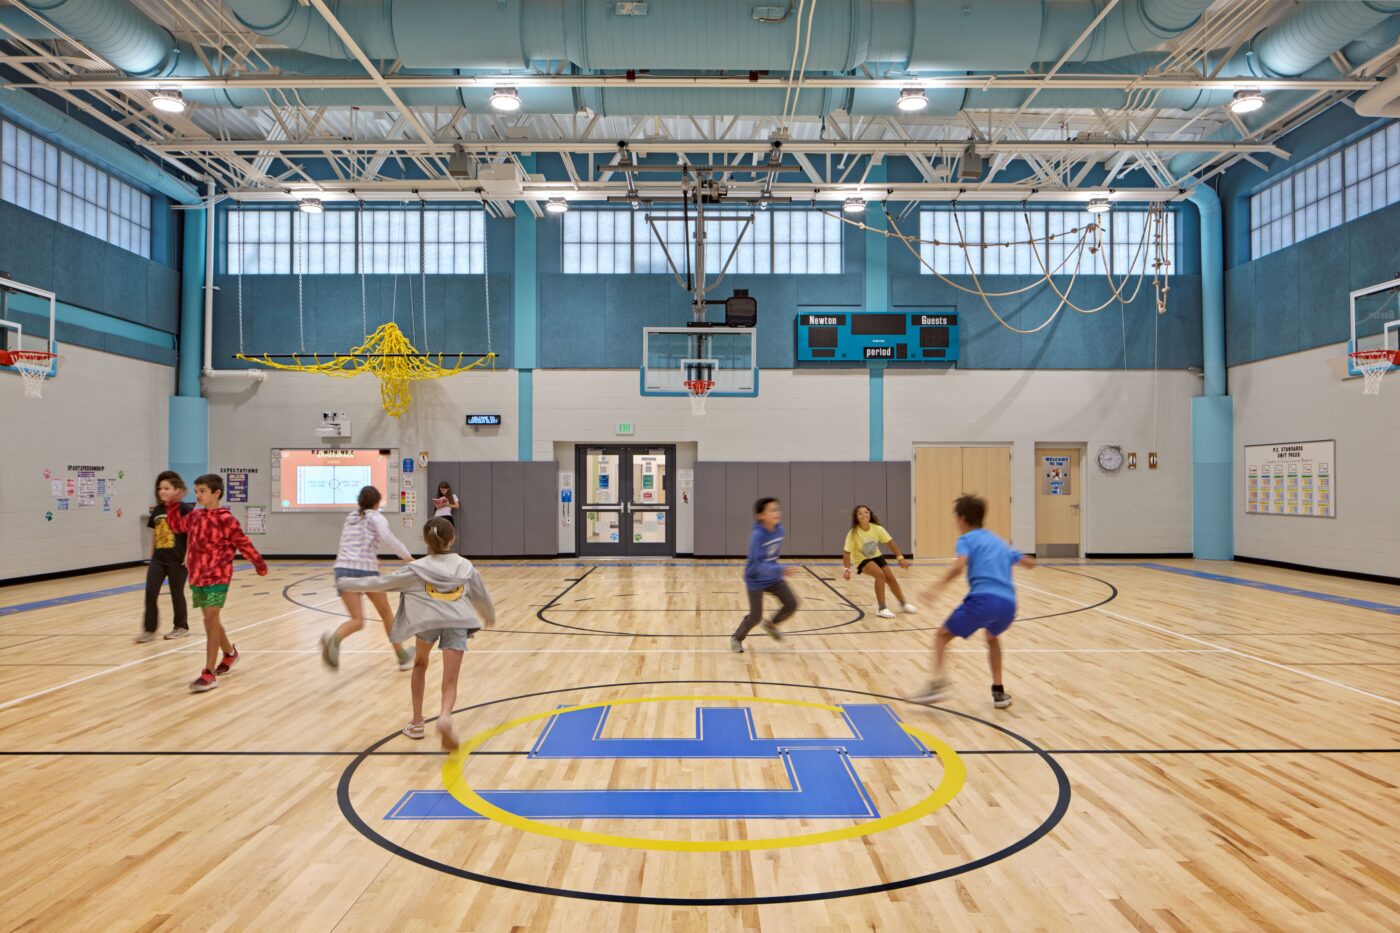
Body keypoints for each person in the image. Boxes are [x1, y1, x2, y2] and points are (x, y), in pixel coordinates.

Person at [336, 517, 495, 750]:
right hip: (458, 620)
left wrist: (348, 583)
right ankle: (444, 717)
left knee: (420, 663)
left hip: (427, 621)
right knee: (450, 680)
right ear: (452, 539)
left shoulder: (416, 569)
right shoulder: (465, 566)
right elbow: (481, 593)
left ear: (425, 541)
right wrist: (488, 614)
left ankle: (417, 722)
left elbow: (383, 582)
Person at [911, 494, 1034, 710]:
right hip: (1009, 605)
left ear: (961, 519)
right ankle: (999, 691)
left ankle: (937, 685)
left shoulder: (966, 539)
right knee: (992, 637)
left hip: (983, 600)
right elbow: (1028, 562)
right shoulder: (999, 541)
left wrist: (935, 589)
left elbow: (959, 566)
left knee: (941, 635)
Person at [163, 474, 268, 693]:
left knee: (210, 620)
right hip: (197, 576)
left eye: (202, 491)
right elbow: (176, 526)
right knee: (211, 621)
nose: (198, 495)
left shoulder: (226, 519)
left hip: (218, 577)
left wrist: (258, 563)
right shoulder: (195, 516)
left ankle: (208, 673)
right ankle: (230, 653)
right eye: (196, 491)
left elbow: (244, 543)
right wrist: (172, 505)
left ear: (216, 493)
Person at [322, 486, 417, 671]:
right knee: (386, 612)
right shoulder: (376, 517)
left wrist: (372, 557)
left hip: (342, 570)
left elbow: (354, 544)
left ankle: (335, 640)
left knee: (357, 620)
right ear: (376, 503)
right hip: (366, 572)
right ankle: (402, 657)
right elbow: (389, 539)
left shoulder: (350, 518)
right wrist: (409, 558)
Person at [730, 497, 799, 653]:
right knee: (755, 617)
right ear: (760, 516)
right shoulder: (757, 536)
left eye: (777, 509)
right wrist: (779, 569)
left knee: (791, 603)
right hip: (755, 579)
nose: (777, 512)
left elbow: (771, 556)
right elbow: (757, 564)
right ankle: (737, 638)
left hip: (773, 576)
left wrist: (776, 570)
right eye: (772, 510)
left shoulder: (780, 530)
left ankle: (771, 624)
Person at [138, 471, 194, 643]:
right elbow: (155, 534)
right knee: (150, 592)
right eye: (160, 488)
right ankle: (149, 630)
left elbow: (192, 534)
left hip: (178, 561)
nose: (162, 491)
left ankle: (181, 627)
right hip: (158, 560)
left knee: (176, 593)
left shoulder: (185, 509)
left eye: (167, 488)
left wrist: (189, 555)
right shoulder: (158, 510)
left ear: (177, 490)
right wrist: (152, 556)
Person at [841, 504, 917, 618]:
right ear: (856, 517)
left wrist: (900, 558)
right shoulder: (853, 533)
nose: (863, 515)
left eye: (866, 512)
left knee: (891, 579)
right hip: (861, 559)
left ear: (870, 514)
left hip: (876, 556)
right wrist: (847, 569)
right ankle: (882, 608)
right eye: (860, 513)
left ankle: (903, 604)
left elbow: (890, 543)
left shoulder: (877, 528)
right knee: (879, 575)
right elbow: (846, 553)